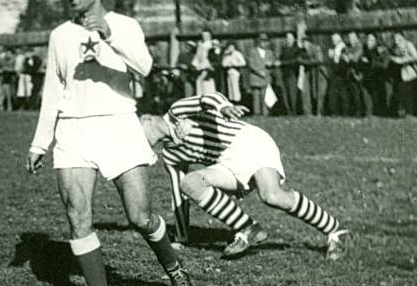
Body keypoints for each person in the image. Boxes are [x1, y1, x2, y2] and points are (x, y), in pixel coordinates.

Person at [26, 0, 192, 286]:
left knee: (140, 217)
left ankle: (174, 268)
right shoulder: (59, 36)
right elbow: (52, 91)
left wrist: (110, 37)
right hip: (73, 129)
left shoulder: (125, 25)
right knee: (77, 214)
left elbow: (146, 68)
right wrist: (41, 143)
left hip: (118, 125)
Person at [139, 92, 349, 260]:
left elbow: (207, 99)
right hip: (223, 162)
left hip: (246, 141)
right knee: (190, 183)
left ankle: (336, 231)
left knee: (272, 196)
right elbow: (178, 193)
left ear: (146, 118)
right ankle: (248, 228)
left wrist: (224, 107)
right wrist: (182, 236)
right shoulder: (169, 154)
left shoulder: (177, 112)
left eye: (136, 129)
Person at [390, 32, 417, 117]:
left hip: (410, 73)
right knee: (401, 92)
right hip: (400, 74)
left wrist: (401, 60)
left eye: (399, 39)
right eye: (395, 39)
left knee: (407, 92)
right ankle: (404, 112)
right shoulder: (396, 47)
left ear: (403, 37)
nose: (397, 41)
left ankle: (409, 112)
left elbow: (415, 57)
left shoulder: (408, 45)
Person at [247, 34, 275, 116]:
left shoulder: (269, 52)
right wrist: (259, 71)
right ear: (259, 42)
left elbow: (272, 61)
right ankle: (257, 113)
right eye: (262, 41)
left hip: (266, 77)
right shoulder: (253, 51)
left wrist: (271, 63)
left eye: (265, 41)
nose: (264, 43)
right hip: (255, 77)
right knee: (256, 96)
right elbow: (251, 64)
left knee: (265, 95)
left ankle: (265, 112)